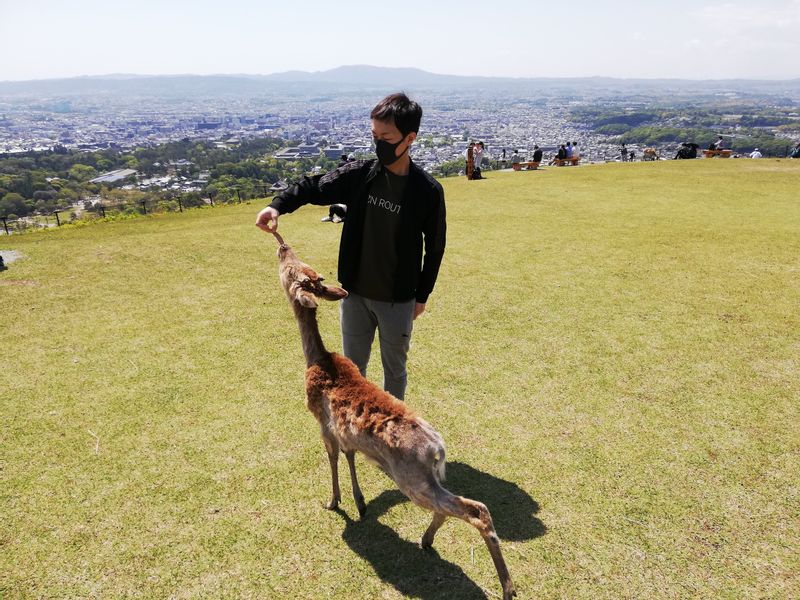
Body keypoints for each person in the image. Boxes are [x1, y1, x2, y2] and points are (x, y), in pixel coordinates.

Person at [256, 93, 446, 400]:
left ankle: (392, 436)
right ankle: (357, 432)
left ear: (410, 137)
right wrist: (276, 206)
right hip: (354, 295)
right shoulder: (360, 175)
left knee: (395, 371)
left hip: (398, 301)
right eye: (374, 136)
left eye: (387, 137)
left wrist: (421, 297)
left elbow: (434, 248)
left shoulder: (427, 191)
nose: (379, 143)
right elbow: (312, 186)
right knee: (354, 371)